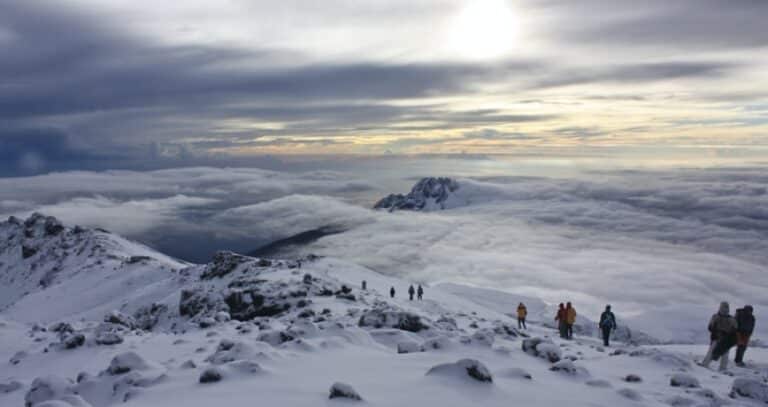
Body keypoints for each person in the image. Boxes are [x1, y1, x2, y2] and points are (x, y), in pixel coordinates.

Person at [700, 301, 738, 371]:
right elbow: (735, 328)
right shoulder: (731, 319)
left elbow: (710, 327)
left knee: (711, 351)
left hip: (716, 337)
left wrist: (717, 331)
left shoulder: (715, 316)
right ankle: (722, 368)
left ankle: (705, 364)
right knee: (725, 354)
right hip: (726, 339)